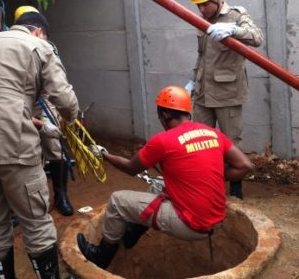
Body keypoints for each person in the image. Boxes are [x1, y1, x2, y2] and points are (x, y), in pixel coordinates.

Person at [0, 11, 79, 279]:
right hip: (13, 144)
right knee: (36, 222)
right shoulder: (39, 46)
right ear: (39, 31)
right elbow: (64, 98)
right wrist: (71, 119)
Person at [77, 86, 253, 270]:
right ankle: (132, 233)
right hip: (215, 219)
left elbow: (130, 168)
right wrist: (207, 178)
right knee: (158, 185)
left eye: (160, 115)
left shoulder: (163, 140)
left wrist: (105, 155)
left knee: (117, 201)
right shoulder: (212, 133)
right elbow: (245, 165)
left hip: (191, 224)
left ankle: (101, 256)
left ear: (166, 114)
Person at [185, 0, 263, 200]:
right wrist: (193, 80)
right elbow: (202, 55)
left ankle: (236, 188)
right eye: (198, 6)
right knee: (200, 141)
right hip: (203, 93)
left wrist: (234, 30)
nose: (201, 10)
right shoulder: (202, 21)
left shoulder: (236, 15)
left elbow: (257, 37)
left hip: (228, 93)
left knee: (230, 142)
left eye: (205, 4)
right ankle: (205, 184)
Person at [14, 6, 76, 216]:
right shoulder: (13, 45)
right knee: (25, 148)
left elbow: (56, 82)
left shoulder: (48, 48)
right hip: (22, 101)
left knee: (54, 148)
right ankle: (29, 202)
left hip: (44, 100)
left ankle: (61, 196)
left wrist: (65, 114)